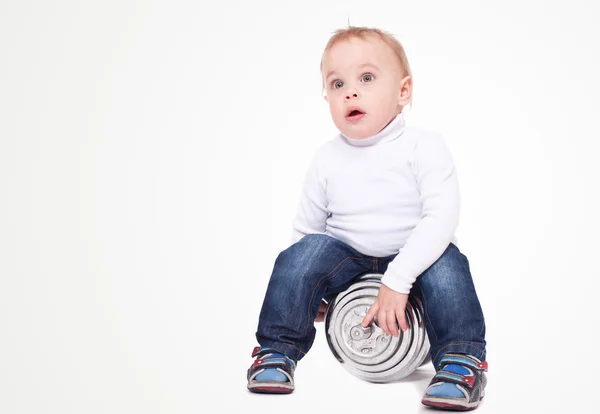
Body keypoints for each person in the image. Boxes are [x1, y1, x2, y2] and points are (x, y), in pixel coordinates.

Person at [246, 26, 488, 410]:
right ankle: (277, 352)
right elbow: (307, 232)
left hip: (415, 260)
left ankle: (461, 361)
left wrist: (397, 279)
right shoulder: (326, 157)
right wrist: (307, 292)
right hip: (350, 261)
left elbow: (440, 217)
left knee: (448, 264)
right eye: (337, 83)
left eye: (367, 78)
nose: (350, 92)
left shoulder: (423, 146)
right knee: (302, 254)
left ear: (403, 91)